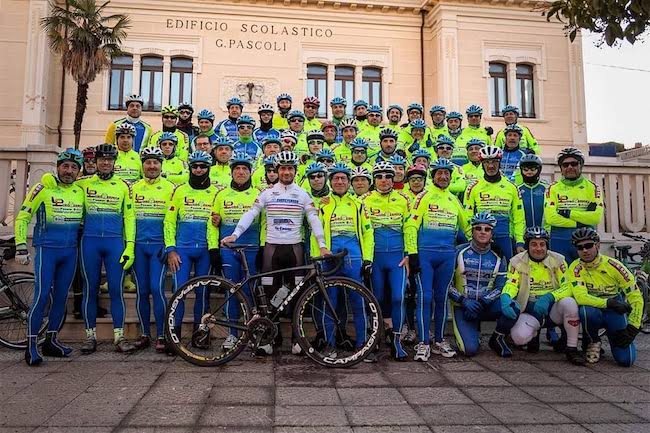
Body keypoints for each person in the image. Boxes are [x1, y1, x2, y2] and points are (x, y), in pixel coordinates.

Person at [221, 151, 331, 355]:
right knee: (269, 295)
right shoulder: (267, 193)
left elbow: (314, 218)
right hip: (272, 250)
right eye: (283, 168)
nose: (286, 171)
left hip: (295, 249)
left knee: (297, 296)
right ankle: (268, 340)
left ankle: (298, 340)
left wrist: (322, 244)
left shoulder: (302, 194)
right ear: (277, 170)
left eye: (290, 168)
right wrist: (235, 234)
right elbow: (251, 213)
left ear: (295, 171)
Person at [16, 149, 85, 365]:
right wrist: (20, 246)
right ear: (57, 167)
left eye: (74, 168)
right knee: (42, 295)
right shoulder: (42, 188)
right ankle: (31, 346)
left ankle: (51, 340)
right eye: (65, 166)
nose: (69, 171)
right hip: (47, 249)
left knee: (62, 297)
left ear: (78, 171)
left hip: (70, 251)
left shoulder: (79, 191)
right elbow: (22, 217)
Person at [405, 158, 468, 361]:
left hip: (447, 256)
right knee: (425, 298)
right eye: (439, 173)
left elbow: (467, 227)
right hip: (426, 255)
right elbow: (411, 225)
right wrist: (412, 253)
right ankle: (423, 343)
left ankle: (439, 340)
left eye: (446, 174)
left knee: (442, 298)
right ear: (433, 176)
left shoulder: (454, 199)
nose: (443, 177)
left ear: (450, 177)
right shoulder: (424, 196)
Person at [77, 144, 136, 354]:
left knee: (116, 290)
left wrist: (130, 246)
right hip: (90, 242)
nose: (105, 163)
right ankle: (89, 336)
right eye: (102, 159)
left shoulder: (123, 185)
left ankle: (119, 337)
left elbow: (129, 217)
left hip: (115, 243)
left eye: (109, 159)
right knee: (90, 289)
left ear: (114, 162)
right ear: (95, 161)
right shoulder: (82, 184)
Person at [312, 162, 374, 358]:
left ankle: (362, 344)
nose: (339, 182)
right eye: (336, 178)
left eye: (343, 179)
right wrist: (317, 257)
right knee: (329, 302)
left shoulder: (357, 204)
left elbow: (367, 233)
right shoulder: (323, 204)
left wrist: (367, 259)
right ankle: (330, 345)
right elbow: (316, 232)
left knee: (357, 302)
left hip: (353, 258)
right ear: (330, 182)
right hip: (329, 258)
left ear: (349, 182)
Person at [504, 227, 586, 364]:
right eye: (534, 244)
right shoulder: (516, 261)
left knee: (570, 303)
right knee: (519, 338)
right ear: (527, 246)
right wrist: (506, 296)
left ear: (547, 245)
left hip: (553, 308)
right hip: (530, 309)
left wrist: (550, 297)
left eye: (542, 244)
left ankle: (571, 348)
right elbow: (512, 284)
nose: (538, 248)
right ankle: (533, 335)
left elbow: (568, 287)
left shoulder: (559, 260)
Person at [164, 150, 219, 348]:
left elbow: (217, 223)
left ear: (208, 168)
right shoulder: (180, 191)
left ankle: (201, 335)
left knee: (203, 293)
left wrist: (214, 248)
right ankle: (174, 334)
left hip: (205, 249)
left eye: (202, 166)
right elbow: (169, 222)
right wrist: (170, 249)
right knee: (180, 292)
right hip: (182, 250)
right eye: (195, 166)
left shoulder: (215, 192)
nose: (198, 169)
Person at [207, 152, 261, 350]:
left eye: (244, 169)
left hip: (252, 249)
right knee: (231, 290)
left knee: (250, 292)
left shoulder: (258, 193)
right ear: (231, 173)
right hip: (228, 250)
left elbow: (263, 224)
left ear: (250, 172)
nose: (240, 172)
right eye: (237, 169)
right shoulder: (221, 195)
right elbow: (212, 224)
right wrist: (213, 248)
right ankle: (232, 335)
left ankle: (252, 332)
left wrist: (263, 247)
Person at [567, 227, 644, 366]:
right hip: (596, 309)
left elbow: (635, 295)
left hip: (614, 310)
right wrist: (608, 303)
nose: (585, 250)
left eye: (588, 245)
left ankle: (613, 335)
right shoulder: (574, 268)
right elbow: (581, 297)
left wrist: (633, 326)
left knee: (627, 361)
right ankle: (592, 340)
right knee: (585, 311)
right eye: (580, 247)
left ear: (597, 245)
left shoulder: (614, 266)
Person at [362, 161, 411, 360]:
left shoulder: (403, 199)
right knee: (377, 299)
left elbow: (409, 228)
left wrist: (409, 254)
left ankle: (397, 341)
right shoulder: (364, 200)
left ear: (393, 179)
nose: (384, 180)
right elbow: (362, 231)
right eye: (380, 177)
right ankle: (374, 340)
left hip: (397, 257)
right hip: (376, 257)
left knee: (398, 298)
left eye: (388, 176)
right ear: (374, 180)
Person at [448, 211, 516, 357]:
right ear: (472, 231)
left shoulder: (499, 256)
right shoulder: (458, 252)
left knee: (513, 305)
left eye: (487, 229)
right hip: (463, 306)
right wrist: (462, 300)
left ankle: (498, 338)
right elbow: (446, 284)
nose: (483, 232)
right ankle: (472, 331)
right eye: (478, 228)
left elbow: (500, 286)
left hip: (486, 305)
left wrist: (485, 301)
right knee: (469, 350)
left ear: (492, 233)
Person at [131, 147, 175, 352]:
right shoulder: (133, 187)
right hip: (138, 246)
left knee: (157, 290)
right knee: (142, 291)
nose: (151, 166)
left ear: (161, 164)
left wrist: (169, 246)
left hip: (158, 247)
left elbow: (172, 221)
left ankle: (162, 334)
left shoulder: (170, 187)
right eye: (148, 162)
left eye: (155, 162)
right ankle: (144, 333)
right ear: (142, 165)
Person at [464, 145, 525, 261]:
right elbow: (467, 216)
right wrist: (469, 238)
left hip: (505, 236)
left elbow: (519, 217)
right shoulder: (473, 187)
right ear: (482, 164)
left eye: (494, 162)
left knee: (507, 272)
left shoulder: (511, 187)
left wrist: (520, 242)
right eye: (487, 162)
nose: (491, 166)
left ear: (500, 163)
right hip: (480, 238)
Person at [544, 147, 603, 263]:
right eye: (565, 165)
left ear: (580, 165)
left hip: (585, 240)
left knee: (587, 276)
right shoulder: (552, 188)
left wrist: (568, 213)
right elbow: (551, 218)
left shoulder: (593, 188)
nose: (570, 167)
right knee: (561, 277)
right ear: (561, 168)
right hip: (559, 239)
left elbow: (595, 217)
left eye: (574, 164)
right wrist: (581, 220)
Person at [517, 154, 546, 228]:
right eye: (525, 170)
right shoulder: (517, 190)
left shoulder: (546, 188)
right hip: (523, 233)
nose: (529, 172)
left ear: (539, 170)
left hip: (543, 234)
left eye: (533, 169)